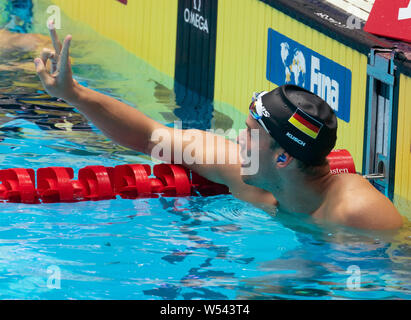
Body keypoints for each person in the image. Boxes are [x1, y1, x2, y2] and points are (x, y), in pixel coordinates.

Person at [33, 28, 404, 231]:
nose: (238, 140)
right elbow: (150, 137)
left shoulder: (360, 213)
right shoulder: (246, 173)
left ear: (283, 156)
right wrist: (74, 94)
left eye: (250, 133)